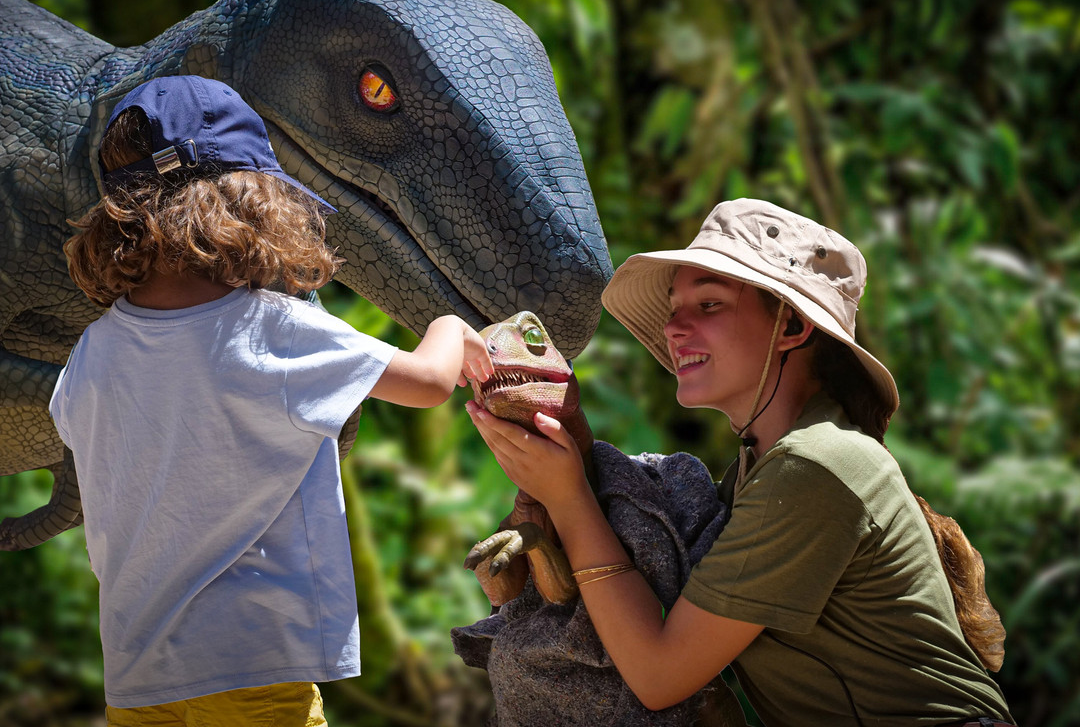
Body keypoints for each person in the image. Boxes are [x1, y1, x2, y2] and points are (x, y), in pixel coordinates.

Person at [50, 74, 493, 726]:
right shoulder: (268, 327)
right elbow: (428, 382)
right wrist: (452, 328)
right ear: (248, 200)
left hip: (138, 676)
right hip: (252, 665)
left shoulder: (94, 349)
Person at [467, 198, 1014, 726]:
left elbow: (658, 675)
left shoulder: (816, 465)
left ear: (793, 327)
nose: (674, 328)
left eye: (708, 305)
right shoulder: (753, 474)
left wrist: (569, 498)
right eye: (674, 310)